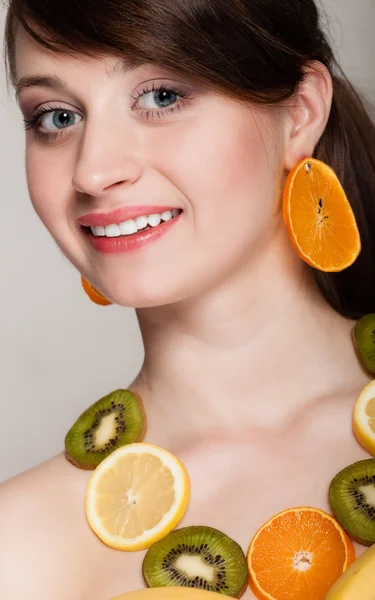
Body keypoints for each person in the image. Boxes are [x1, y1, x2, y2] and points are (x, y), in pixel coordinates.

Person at [1, 0, 375, 598]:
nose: (93, 172)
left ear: (301, 112)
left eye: (162, 97)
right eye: (56, 116)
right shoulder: (16, 545)